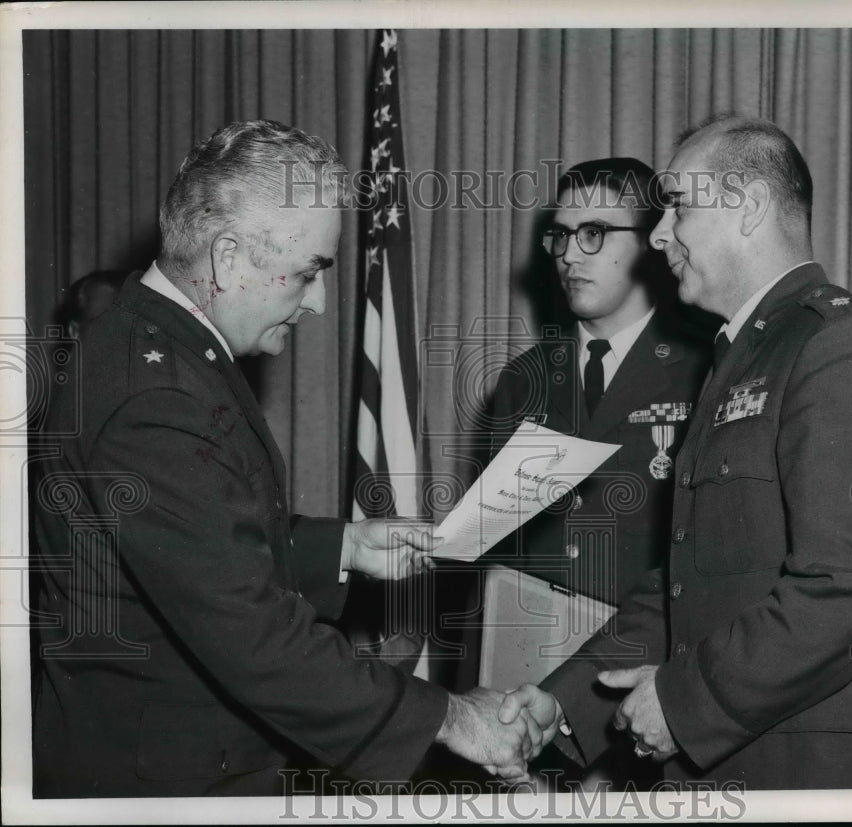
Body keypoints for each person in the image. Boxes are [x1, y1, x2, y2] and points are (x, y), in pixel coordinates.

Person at [31, 120, 541, 797]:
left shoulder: (158, 346)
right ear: (228, 256)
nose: (320, 301)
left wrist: (344, 546)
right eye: (308, 272)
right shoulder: (155, 397)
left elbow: (195, 545)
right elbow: (253, 638)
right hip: (166, 782)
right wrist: (450, 716)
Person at [500, 115, 852, 789]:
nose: (658, 234)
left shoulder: (838, 347)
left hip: (823, 774)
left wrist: (685, 705)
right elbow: (691, 582)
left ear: (749, 207)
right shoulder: (739, 356)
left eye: (678, 204)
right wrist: (566, 703)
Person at [484, 158, 711, 607]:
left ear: (651, 243)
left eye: (594, 233)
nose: (569, 255)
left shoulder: (704, 370)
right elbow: (496, 547)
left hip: (648, 652)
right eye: (561, 235)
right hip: (533, 641)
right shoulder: (523, 379)